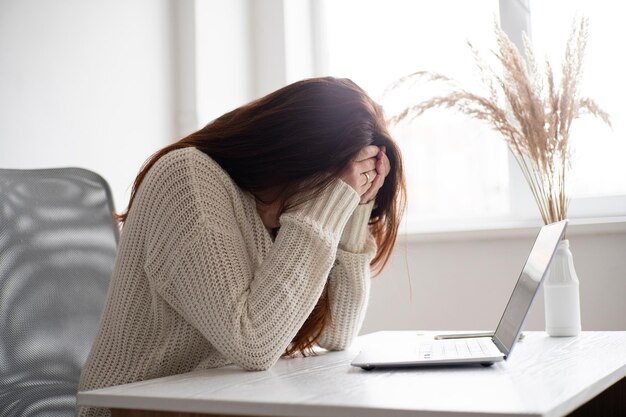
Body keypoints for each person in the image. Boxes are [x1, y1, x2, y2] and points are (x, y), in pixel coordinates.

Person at [77, 77, 406, 417]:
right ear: (302, 155)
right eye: (338, 189)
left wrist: (352, 213)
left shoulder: (280, 222)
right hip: (134, 411)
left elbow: (336, 334)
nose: (335, 199)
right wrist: (325, 208)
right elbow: (253, 344)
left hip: (216, 402)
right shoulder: (188, 178)